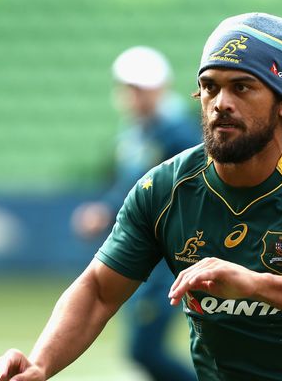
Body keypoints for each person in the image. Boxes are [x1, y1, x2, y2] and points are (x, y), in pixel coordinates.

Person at [0, 13, 282, 381]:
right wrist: (41, 364)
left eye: (242, 87)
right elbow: (98, 290)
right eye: (209, 87)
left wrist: (257, 286)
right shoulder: (163, 189)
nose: (221, 104)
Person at [71, 45, 200, 381]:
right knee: (142, 349)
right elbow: (131, 185)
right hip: (143, 251)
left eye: (140, 88)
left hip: (166, 254)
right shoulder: (135, 133)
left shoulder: (178, 133)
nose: (133, 96)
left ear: (160, 88)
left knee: (143, 350)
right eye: (129, 88)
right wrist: (106, 209)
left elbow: (166, 189)